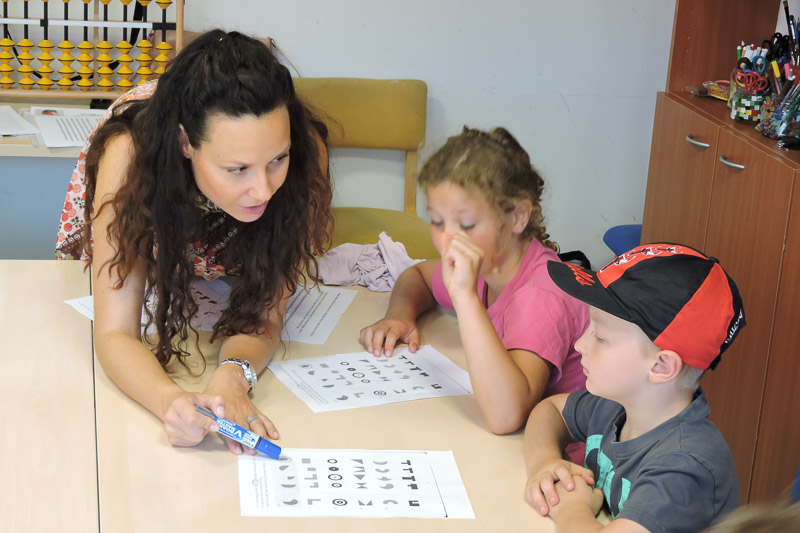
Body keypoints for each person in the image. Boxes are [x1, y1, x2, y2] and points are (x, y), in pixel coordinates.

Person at [54, 30, 332, 455]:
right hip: (155, 190)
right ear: (186, 144)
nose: (263, 189)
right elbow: (114, 331)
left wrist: (232, 376)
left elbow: (266, 311)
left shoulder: (305, 152)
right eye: (237, 169)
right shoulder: (130, 157)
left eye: (277, 159)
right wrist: (170, 401)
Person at [360, 127, 589, 436]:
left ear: (518, 217)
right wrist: (400, 315)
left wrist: (465, 298)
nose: (447, 239)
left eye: (466, 224)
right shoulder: (488, 265)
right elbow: (418, 276)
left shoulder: (539, 296)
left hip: (574, 453)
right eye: (437, 221)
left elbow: (506, 416)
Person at [524, 243, 746, 533]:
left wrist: (571, 508)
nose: (579, 345)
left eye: (600, 337)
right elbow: (550, 410)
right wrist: (544, 461)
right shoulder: (617, 405)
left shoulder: (684, 468)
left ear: (660, 366)